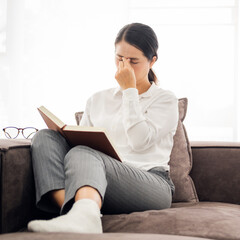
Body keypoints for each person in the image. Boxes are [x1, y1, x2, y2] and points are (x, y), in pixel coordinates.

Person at [28, 23, 178, 233]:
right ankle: (77, 211)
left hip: (151, 182)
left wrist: (129, 91)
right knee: (45, 137)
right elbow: (79, 149)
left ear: (152, 61)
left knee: (84, 153)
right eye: (119, 58)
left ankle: (83, 213)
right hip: (97, 179)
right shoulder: (98, 99)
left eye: (133, 61)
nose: (124, 66)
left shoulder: (165, 100)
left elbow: (139, 140)